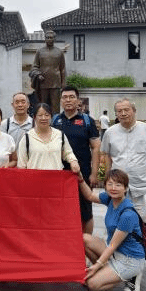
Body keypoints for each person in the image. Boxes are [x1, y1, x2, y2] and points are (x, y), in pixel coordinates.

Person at [101, 98, 146, 290]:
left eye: (126, 109)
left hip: (143, 186)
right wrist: (107, 180)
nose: (123, 113)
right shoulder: (110, 132)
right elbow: (106, 156)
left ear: (134, 111)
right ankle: (119, 257)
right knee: (117, 224)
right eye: (119, 111)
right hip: (120, 190)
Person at [79, 169, 145, 291]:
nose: (113, 188)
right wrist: (80, 178)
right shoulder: (110, 199)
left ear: (125, 188)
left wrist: (97, 266)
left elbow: (113, 245)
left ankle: (131, 275)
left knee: (92, 284)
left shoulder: (128, 214)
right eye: (110, 184)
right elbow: (90, 196)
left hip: (129, 259)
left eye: (118, 185)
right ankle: (107, 270)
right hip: (114, 253)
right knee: (84, 239)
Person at [52, 86, 100, 234]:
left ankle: (86, 243)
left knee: (86, 211)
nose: (68, 100)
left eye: (71, 97)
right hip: (59, 174)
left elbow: (96, 148)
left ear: (78, 100)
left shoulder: (87, 121)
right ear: (61, 100)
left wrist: (94, 174)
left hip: (82, 174)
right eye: (65, 97)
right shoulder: (54, 120)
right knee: (60, 210)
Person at [17, 103, 80, 173]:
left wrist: (73, 161)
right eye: (40, 115)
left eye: (47, 115)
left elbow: (68, 153)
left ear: (51, 117)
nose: (43, 118)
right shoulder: (27, 137)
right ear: (34, 117)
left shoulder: (59, 135)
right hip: (34, 178)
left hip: (56, 177)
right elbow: (21, 165)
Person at [30, 30, 66, 115]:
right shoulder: (39, 52)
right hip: (43, 83)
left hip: (56, 83)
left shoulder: (59, 52)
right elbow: (34, 66)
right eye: (48, 38)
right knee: (43, 105)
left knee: (55, 106)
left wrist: (63, 83)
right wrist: (38, 75)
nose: (49, 39)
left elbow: (63, 69)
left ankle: (55, 121)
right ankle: (42, 119)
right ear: (45, 39)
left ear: (54, 39)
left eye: (51, 38)